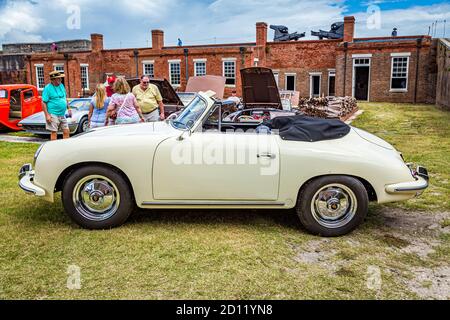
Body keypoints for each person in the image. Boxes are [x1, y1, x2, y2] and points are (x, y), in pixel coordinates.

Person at [42, 71, 72, 141]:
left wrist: (69, 108)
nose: (60, 80)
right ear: (53, 79)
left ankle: (66, 146)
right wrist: (47, 115)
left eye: (60, 78)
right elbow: (43, 102)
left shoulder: (61, 85)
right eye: (58, 78)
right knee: (54, 132)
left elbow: (65, 98)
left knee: (66, 131)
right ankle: (54, 147)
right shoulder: (47, 88)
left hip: (62, 114)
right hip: (53, 114)